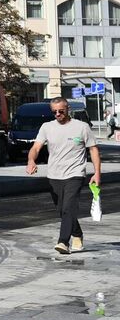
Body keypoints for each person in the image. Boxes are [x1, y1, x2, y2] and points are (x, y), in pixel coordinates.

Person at [28, 96, 97, 255]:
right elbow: (36, 147)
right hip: (54, 175)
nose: (58, 114)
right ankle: (78, 234)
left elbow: (93, 150)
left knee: (68, 207)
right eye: (54, 112)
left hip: (75, 174)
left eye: (61, 111)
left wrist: (97, 174)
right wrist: (31, 160)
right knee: (63, 210)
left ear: (68, 109)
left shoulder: (82, 127)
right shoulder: (47, 127)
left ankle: (63, 242)